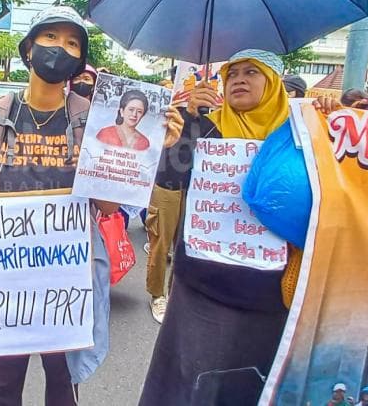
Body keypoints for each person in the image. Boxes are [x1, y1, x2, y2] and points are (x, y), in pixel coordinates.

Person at [0, 6, 183, 406]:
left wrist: (141, 159)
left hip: (67, 276)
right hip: (6, 273)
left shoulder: (89, 121)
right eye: (51, 38)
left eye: (73, 42)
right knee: (3, 384)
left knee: (63, 384)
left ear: (80, 61)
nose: (61, 48)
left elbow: (106, 207)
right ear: (29, 49)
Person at [139, 49, 340, 406]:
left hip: (270, 292)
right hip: (202, 286)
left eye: (251, 73)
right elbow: (169, 181)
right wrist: (184, 123)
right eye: (232, 74)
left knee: (249, 386)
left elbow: (340, 184)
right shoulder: (204, 124)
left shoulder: (305, 133)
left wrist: (331, 118)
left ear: (274, 82)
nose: (239, 81)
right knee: (188, 385)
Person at [144, 82, 218, 323]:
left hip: (197, 192)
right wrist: (190, 114)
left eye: (210, 94)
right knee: (160, 244)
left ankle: (177, 293)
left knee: (185, 247)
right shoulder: (174, 116)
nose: (204, 99)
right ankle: (157, 294)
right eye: (200, 95)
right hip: (166, 186)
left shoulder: (217, 124)